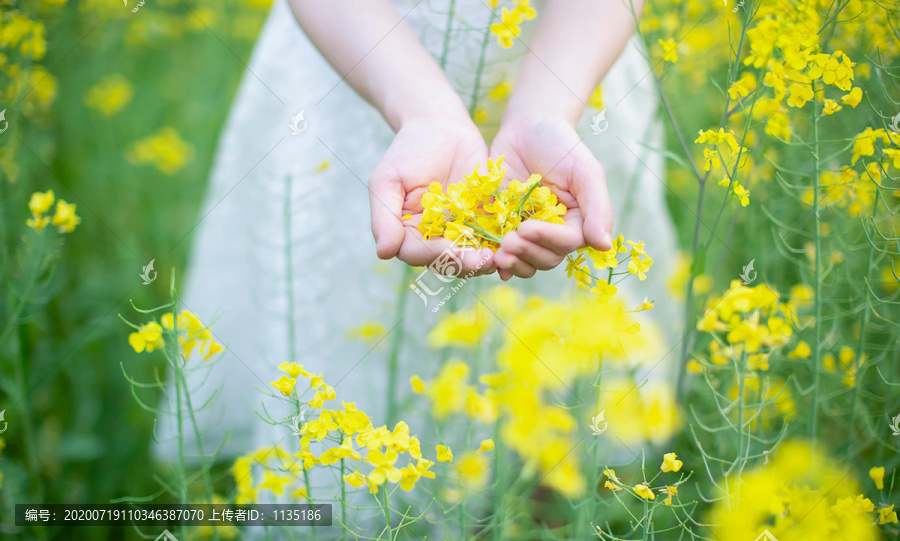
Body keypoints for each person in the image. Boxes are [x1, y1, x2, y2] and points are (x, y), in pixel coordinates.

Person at [156, 0, 678, 523]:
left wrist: (547, 108)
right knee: (341, 396)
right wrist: (424, 112)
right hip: (355, 56)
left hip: (574, 66)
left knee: (559, 422)